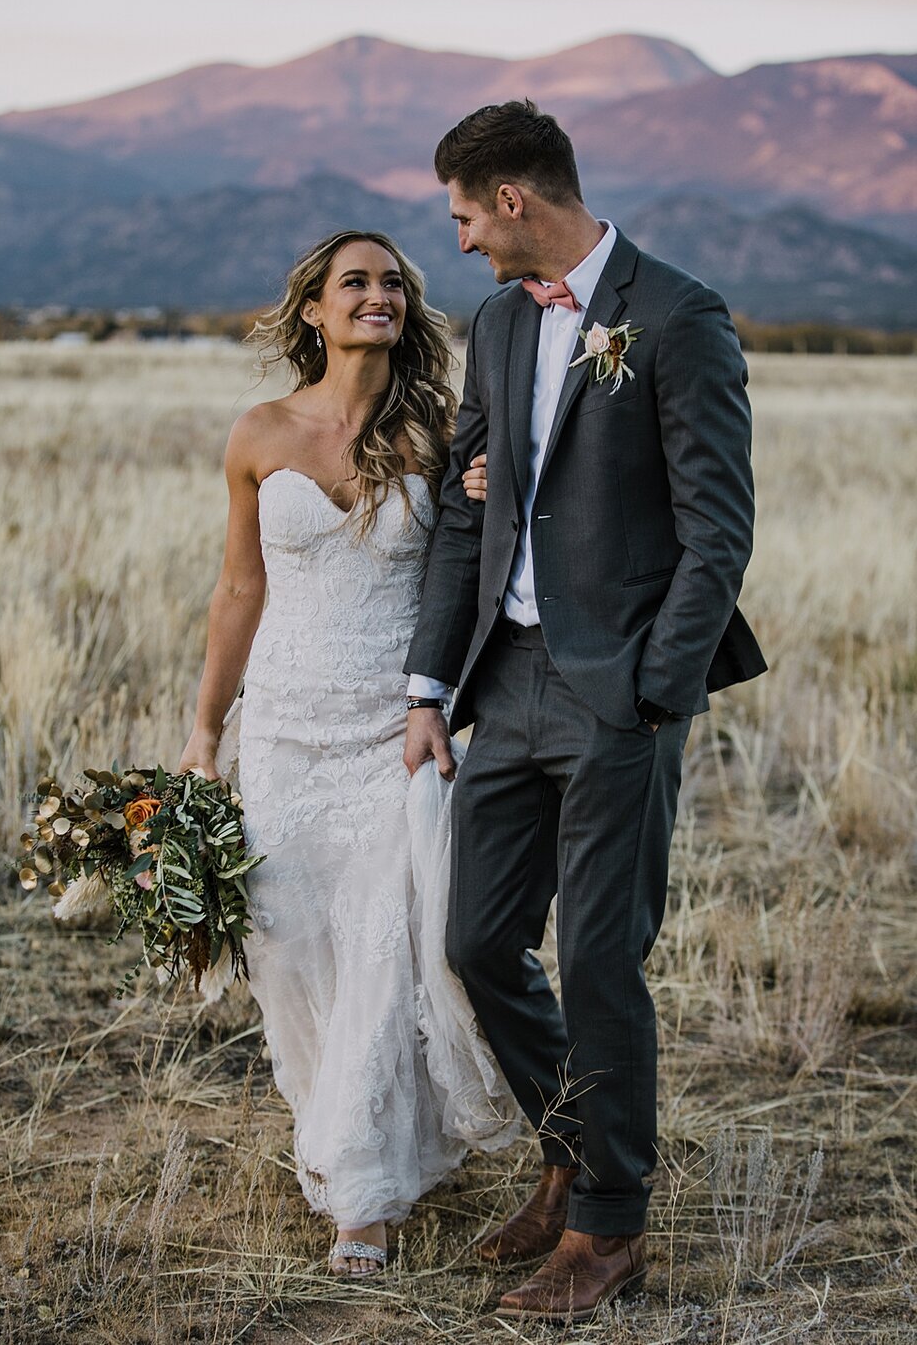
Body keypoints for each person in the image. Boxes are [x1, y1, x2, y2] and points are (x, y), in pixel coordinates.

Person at [403, 100, 767, 1322]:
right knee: (474, 942)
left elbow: (718, 528)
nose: (455, 243)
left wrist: (657, 688)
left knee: (601, 957)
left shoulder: (676, 316)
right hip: (503, 685)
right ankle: (574, 1149)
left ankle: (610, 1227)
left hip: (620, 695)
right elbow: (469, 511)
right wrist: (430, 682)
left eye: (462, 214)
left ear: (513, 200)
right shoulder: (501, 323)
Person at [177, 230, 516, 1279]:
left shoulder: (442, 432)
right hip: (282, 728)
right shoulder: (259, 431)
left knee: (383, 945)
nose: (376, 296)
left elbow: (480, 570)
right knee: (290, 951)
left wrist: (489, 497)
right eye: (352, 283)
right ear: (314, 312)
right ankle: (342, 1145)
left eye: (391, 285)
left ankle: (361, 1204)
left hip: (390, 727)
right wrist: (204, 731)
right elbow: (240, 591)